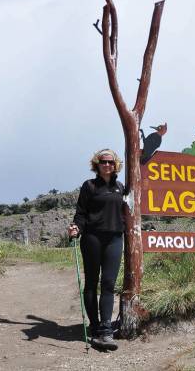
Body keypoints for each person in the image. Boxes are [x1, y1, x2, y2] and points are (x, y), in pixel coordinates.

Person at [68, 149, 125, 351]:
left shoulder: (121, 187)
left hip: (115, 239)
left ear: (115, 164)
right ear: (97, 164)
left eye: (110, 162)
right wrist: (76, 228)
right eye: (103, 161)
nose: (107, 165)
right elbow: (81, 213)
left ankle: (106, 331)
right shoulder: (89, 186)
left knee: (109, 284)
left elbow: (127, 212)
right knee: (92, 282)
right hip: (92, 238)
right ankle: (94, 325)